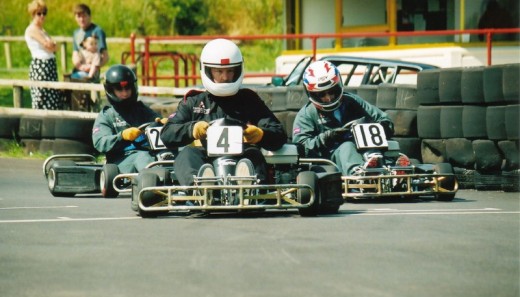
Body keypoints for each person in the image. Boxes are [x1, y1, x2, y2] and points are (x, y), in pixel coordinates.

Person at [160, 38, 287, 186]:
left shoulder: (249, 100)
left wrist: (260, 135)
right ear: (207, 71)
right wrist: (192, 129)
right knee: (187, 154)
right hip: (205, 159)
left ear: (238, 70)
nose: (225, 77)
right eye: (219, 71)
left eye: (230, 71)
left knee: (253, 153)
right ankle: (201, 184)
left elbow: (279, 133)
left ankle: (248, 185)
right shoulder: (194, 101)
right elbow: (167, 134)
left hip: (242, 158)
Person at [292, 60, 402, 176]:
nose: (329, 98)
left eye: (332, 92)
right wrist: (328, 137)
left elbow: (384, 119)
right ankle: (358, 174)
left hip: (365, 151)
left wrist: (381, 127)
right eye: (322, 95)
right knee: (347, 146)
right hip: (330, 158)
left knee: (380, 145)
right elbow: (302, 147)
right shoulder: (306, 114)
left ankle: (391, 171)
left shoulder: (353, 101)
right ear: (312, 94)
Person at [92, 64, 166, 173]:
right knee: (142, 156)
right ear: (111, 90)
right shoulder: (107, 115)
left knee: (173, 153)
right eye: (119, 89)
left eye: (127, 88)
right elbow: (100, 142)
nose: (125, 93)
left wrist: (164, 123)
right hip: (120, 160)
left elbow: (157, 121)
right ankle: (158, 179)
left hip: (149, 155)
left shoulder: (141, 109)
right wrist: (122, 136)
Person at [24, 0, 62, 110]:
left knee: (53, 94)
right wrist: (52, 45)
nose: (42, 16)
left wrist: (52, 45)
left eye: (44, 13)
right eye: (38, 13)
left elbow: (55, 47)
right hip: (41, 65)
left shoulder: (42, 30)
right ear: (33, 14)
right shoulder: (32, 29)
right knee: (41, 95)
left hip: (50, 64)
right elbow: (49, 45)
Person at [72, 3, 108, 76]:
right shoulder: (76, 33)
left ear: (90, 16)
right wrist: (80, 66)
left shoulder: (98, 31)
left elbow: (105, 56)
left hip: (93, 72)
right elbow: (75, 53)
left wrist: (94, 67)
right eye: (79, 16)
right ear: (75, 18)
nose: (82, 19)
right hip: (79, 69)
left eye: (84, 16)